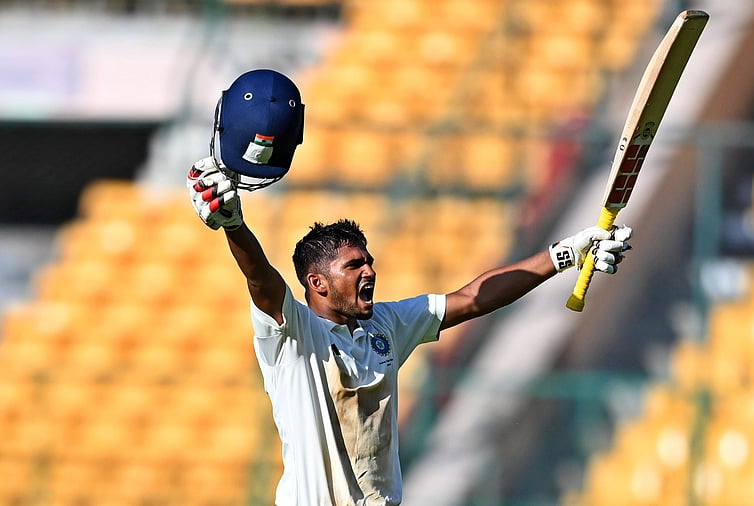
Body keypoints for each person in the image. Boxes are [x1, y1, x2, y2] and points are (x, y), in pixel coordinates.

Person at [187, 69, 633, 506]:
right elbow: (261, 280)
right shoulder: (295, 337)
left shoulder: (388, 324)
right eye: (354, 265)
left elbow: (475, 297)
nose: (369, 271)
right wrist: (234, 225)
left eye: (369, 261)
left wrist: (566, 254)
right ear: (316, 283)